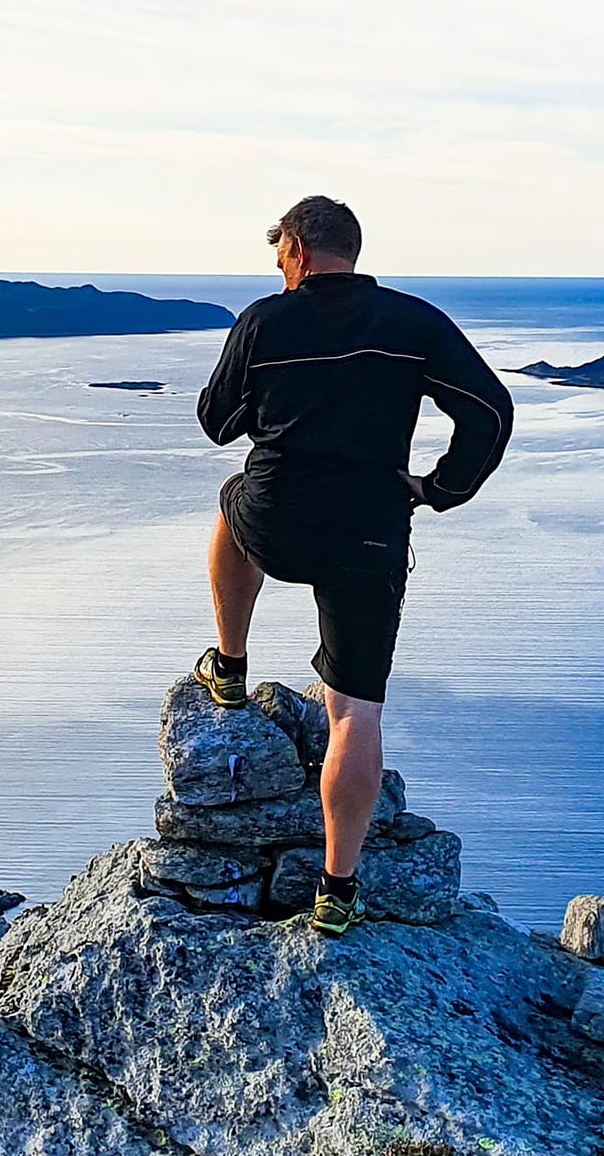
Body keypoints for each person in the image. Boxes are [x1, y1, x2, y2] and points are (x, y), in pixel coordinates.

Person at [194, 196, 513, 936]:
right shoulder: (413, 322)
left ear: (298, 251)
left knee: (232, 497)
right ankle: (337, 892)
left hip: (275, 519)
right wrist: (439, 490)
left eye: (280, 257)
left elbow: (218, 423)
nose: (279, 271)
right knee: (354, 712)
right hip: (368, 533)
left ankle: (230, 664)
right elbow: (490, 412)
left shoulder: (264, 323)